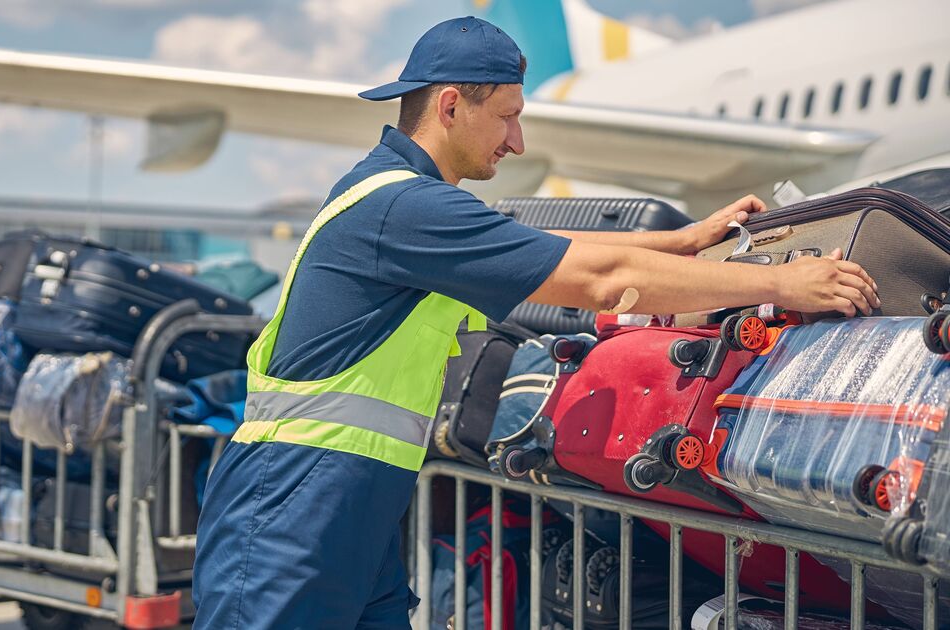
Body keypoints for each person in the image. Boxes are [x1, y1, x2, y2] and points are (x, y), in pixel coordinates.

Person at [192, 16, 879, 630]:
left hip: (351, 503)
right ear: (452, 105)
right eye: (509, 117)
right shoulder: (406, 211)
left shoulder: (408, 202)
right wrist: (784, 282)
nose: (518, 142)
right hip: (294, 501)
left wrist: (685, 240)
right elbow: (601, 281)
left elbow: (564, 251)